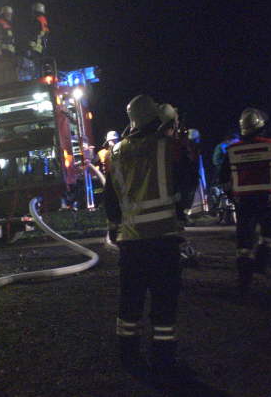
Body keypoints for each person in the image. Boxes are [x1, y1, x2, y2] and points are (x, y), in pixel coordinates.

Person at [104, 94, 191, 384]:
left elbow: (111, 199)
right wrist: (181, 210)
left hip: (131, 242)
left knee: (130, 300)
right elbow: (186, 180)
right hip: (164, 238)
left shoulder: (116, 152)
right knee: (164, 303)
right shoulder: (169, 147)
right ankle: (164, 360)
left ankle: (128, 355)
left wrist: (114, 227)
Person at [220, 108, 271, 293]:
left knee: (244, 238)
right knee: (269, 235)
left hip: (244, 201)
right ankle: (262, 264)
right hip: (269, 199)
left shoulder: (232, 150)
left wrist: (231, 195)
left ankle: (244, 279)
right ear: (261, 127)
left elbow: (223, 176)